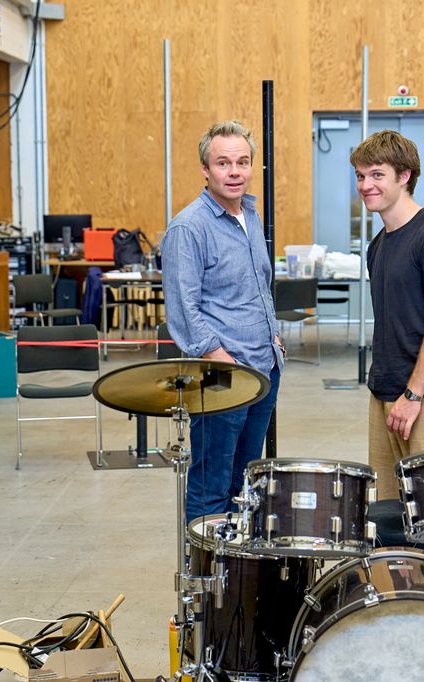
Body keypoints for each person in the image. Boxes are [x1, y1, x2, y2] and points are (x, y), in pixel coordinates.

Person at [161, 120, 284, 524]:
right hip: (222, 373)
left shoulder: (249, 215)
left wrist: (274, 341)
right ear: (205, 169)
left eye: (243, 162)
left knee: (244, 482)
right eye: (224, 163)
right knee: (211, 482)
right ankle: (202, 577)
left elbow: (256, 288)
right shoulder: (189, 227)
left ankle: (234, 580)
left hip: (264, 368)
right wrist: (218, 356)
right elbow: (183, 309)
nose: (235, 172)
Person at [351, 130, 424, 496]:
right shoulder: (379, 244)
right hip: (385, 392)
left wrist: (413, 396)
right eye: (360, 176)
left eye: (376, 175)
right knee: (388, 519)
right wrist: (393, 396)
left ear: (404, 176)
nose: (366, 185)